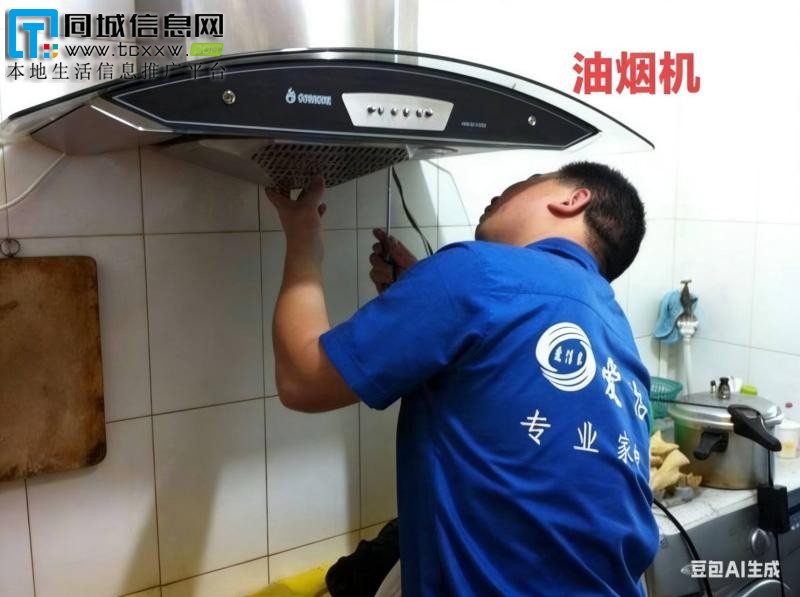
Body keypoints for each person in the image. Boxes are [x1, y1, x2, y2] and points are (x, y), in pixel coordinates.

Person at [267, 161, 659, 596]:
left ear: (572, 199)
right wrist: (423, 292)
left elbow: (303, 379)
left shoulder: (477, 271)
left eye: (525, 180)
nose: (502, 191)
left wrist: (303, 240)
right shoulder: (614, 327)